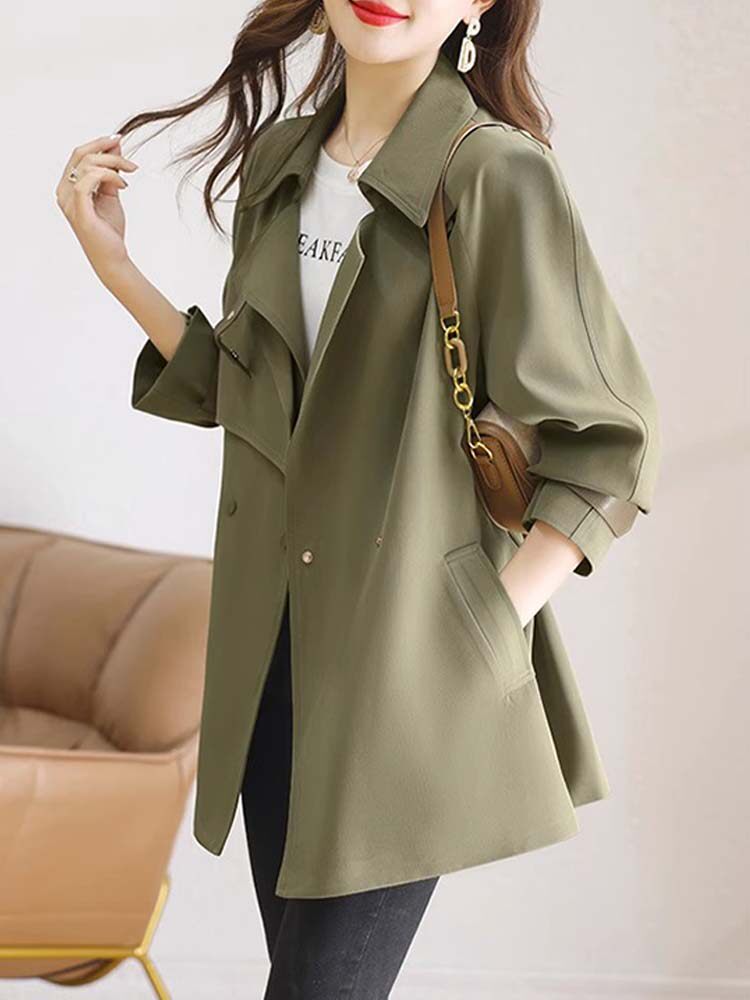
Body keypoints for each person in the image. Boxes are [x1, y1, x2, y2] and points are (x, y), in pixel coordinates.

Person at [55, 0, 661, 996]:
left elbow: (610, 445)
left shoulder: (493, 173)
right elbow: (254, 399)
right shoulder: (283, 162)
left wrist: (479, 626)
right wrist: (114, 264)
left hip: (405, 676)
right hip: (273, 655)